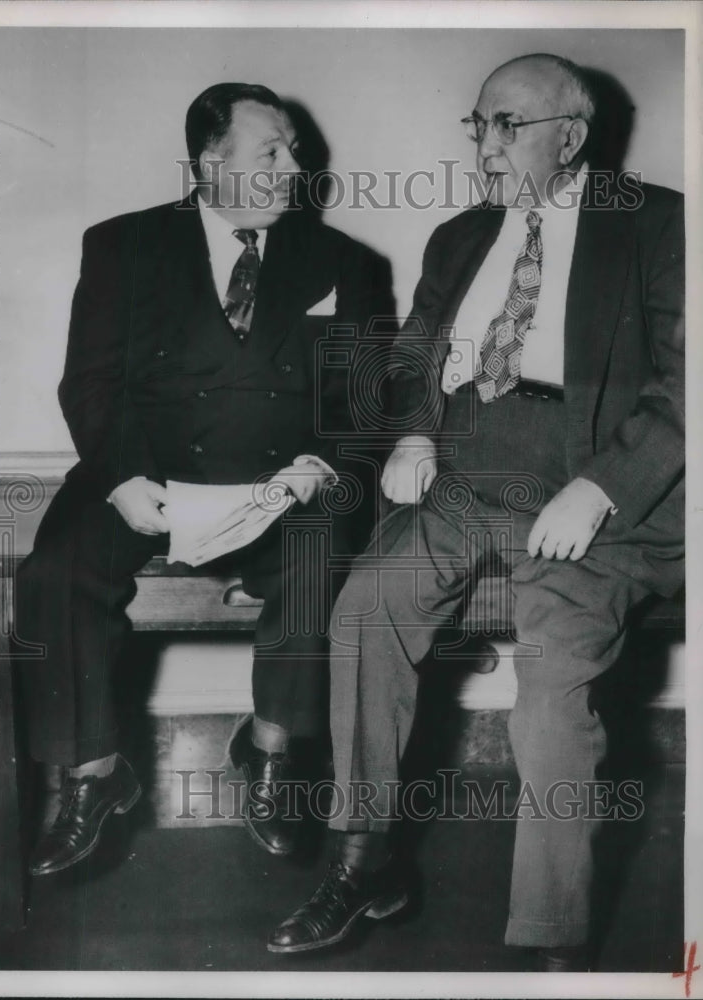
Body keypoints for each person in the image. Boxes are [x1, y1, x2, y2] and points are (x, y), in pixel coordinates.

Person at [268, 54, 684, 971]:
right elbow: (416, 356)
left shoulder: (660, 224)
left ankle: (552, 943)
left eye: (509, 126)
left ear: (569, 137)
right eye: (478, 125)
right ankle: (363, 858)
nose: (486, 145)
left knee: (549, 696)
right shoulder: (460, 235)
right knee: (365, 608)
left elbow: (685, 381)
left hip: (590, 489)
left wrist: (603, 484)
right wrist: (414, 435)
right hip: (464, 466)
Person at [14, 82, 390, 875]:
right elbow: (89, 382)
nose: (296, 166)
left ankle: (272, 754)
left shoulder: (348, 264)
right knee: (54, 570)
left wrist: (315, 471)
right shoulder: (123, 246)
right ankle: (93, 777)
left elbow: (364, 407)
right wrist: (119, 479)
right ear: (209, 163)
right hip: (143, 474)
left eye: (294, 149)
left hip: (282, 486)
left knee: (322, 552)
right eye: (273, 152)